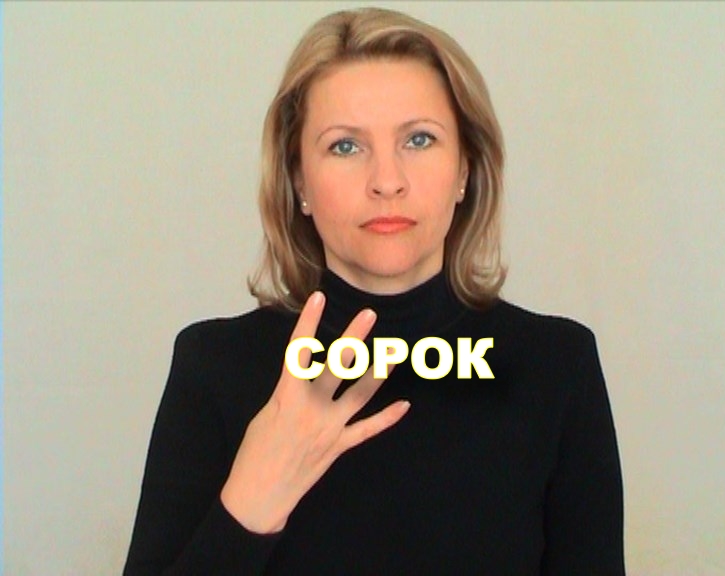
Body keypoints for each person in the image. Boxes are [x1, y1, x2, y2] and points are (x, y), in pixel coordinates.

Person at [124, 7, 624, 575]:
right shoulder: (214, 367)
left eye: (419, 139)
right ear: (298, 180)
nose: (387, 181)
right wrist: (250, 503)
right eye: (345, 146)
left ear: (465, 170)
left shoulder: (557, 367)